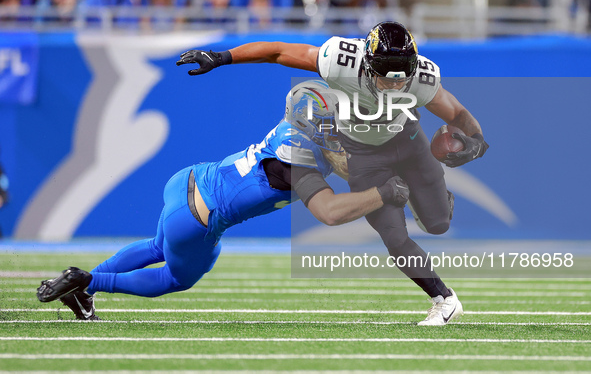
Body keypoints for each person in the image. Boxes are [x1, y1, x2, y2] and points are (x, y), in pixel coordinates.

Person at [174, 21, 490, 326]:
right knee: (392, 234)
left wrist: (477, 141)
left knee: (436, 223)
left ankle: (426, 194)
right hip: (364, 152)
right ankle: (445, 299)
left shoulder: (421, 77)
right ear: (366, 65)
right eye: (386, 76)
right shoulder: (342, 61)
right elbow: (278, 51)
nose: (395, 84)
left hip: (405, 139)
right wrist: (222, 57)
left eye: (401, 77)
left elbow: (457, 112)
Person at [36, 79, 411, 321]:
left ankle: (84, 291)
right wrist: (383, 193)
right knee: (175, 278)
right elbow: (329, 212)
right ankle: (88, 280)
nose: (336, 128)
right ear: (311, 126)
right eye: (329, 123)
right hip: (198, 217)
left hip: (188, 180)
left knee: (156, 247)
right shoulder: (298, 166)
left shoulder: (291, 131)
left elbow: (345, 156)